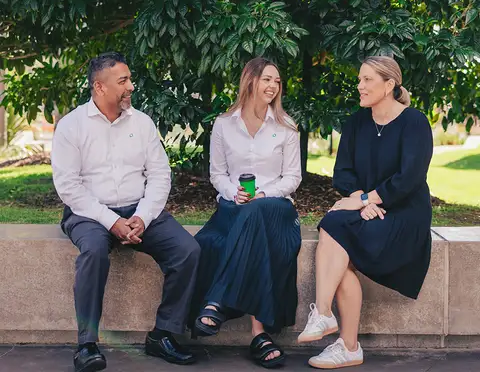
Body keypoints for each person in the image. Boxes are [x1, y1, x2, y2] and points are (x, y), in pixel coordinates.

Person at [51, 53, 200, 372]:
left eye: (130, 79)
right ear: (99, 86)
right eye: (123, 81)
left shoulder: (142, 123)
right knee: (93, 252)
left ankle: (163, 335)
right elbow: (69, 186)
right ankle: (87, 345)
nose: (131, 86)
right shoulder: (71, 126)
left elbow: (160, 174)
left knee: (187, 251)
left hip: (139, 209)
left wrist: (143, 217)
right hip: (88, 212)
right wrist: (111, 221)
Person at [298, 56, 433, 369]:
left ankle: (336, 332)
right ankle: (339, 335)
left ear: (388, 85)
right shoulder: (357, 122)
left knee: (336, 230)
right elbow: (342, 174)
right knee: (332, 224)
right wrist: (363, 200)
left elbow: (409, 179)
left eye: (367, 80)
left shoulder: (414, 122)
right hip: (368, 209)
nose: (359, 86)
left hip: (405, 216)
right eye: (359, 79)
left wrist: (366, 200)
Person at [189, 57, 302, 368]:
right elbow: (217, 174)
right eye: (267, 79)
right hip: (233, 207)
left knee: (256, 212)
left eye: (277, 81)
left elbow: (293, 178)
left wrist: (265, 194)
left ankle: (217, 302)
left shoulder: (286, 127)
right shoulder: (224, 125)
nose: (273, 86)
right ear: (250, 80)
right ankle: (258, 334)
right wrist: (232, 193)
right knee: (213, 238)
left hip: (276, 209)